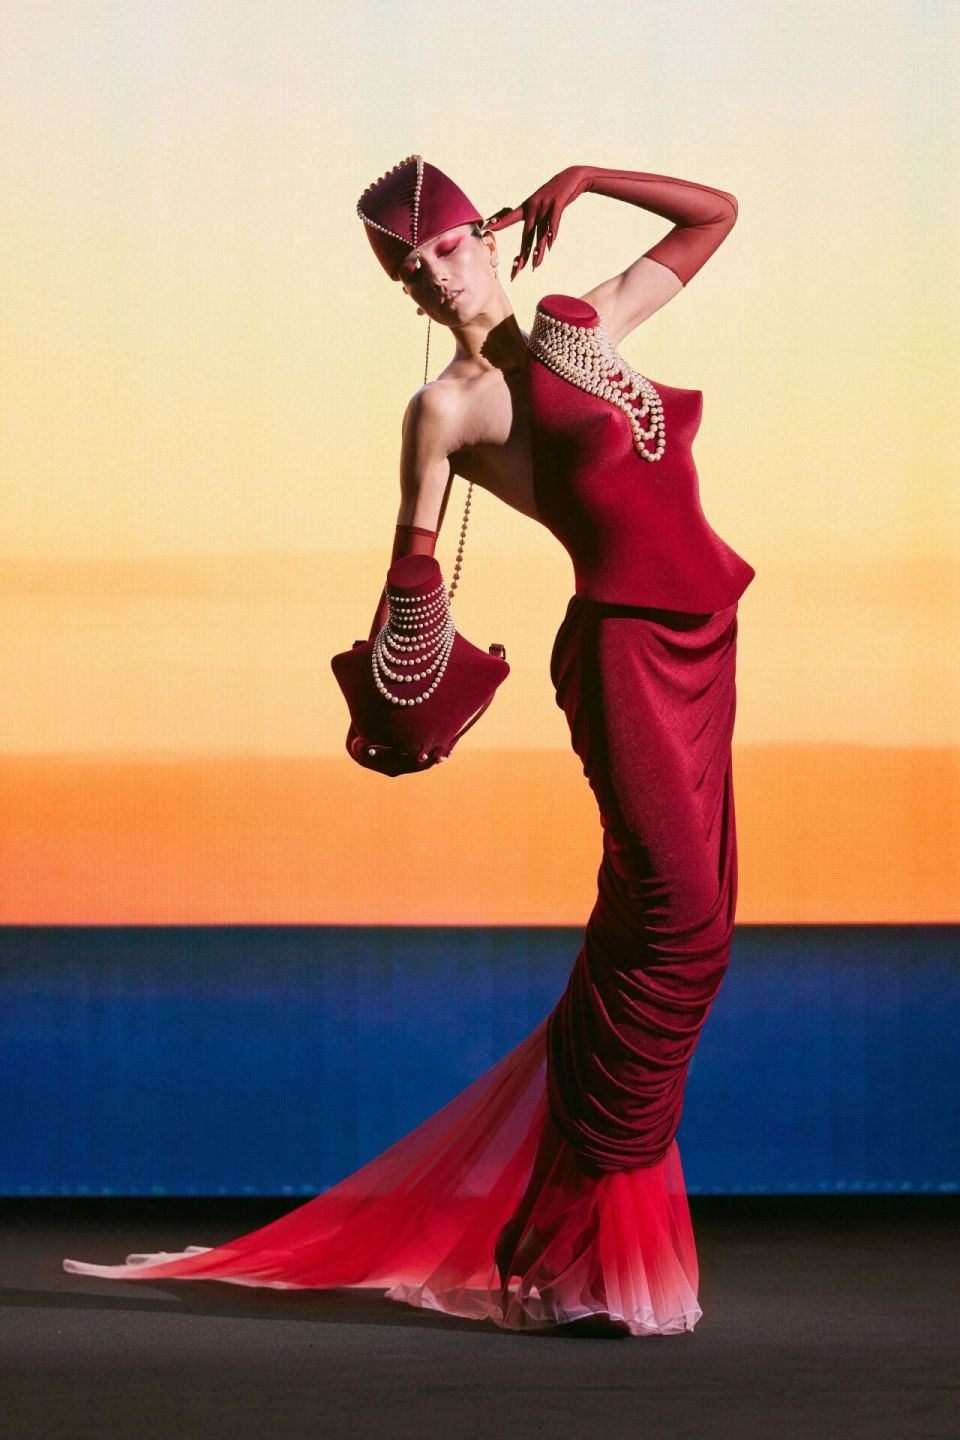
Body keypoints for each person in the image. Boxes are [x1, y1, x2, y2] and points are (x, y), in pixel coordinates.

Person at [63, 156, 756, 1339]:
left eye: (443, 245)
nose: (431, 275)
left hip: (708, 636)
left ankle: (579, 1251)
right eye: (408, 268)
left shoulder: (588, 324)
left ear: (489, 235)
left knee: (676, 928)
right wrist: (397, 693)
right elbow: (412, 571)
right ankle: (582, 1245)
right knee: (676, 924)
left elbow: (718, 215)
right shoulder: (445, 410)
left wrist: (586, 178)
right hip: (625, 661)